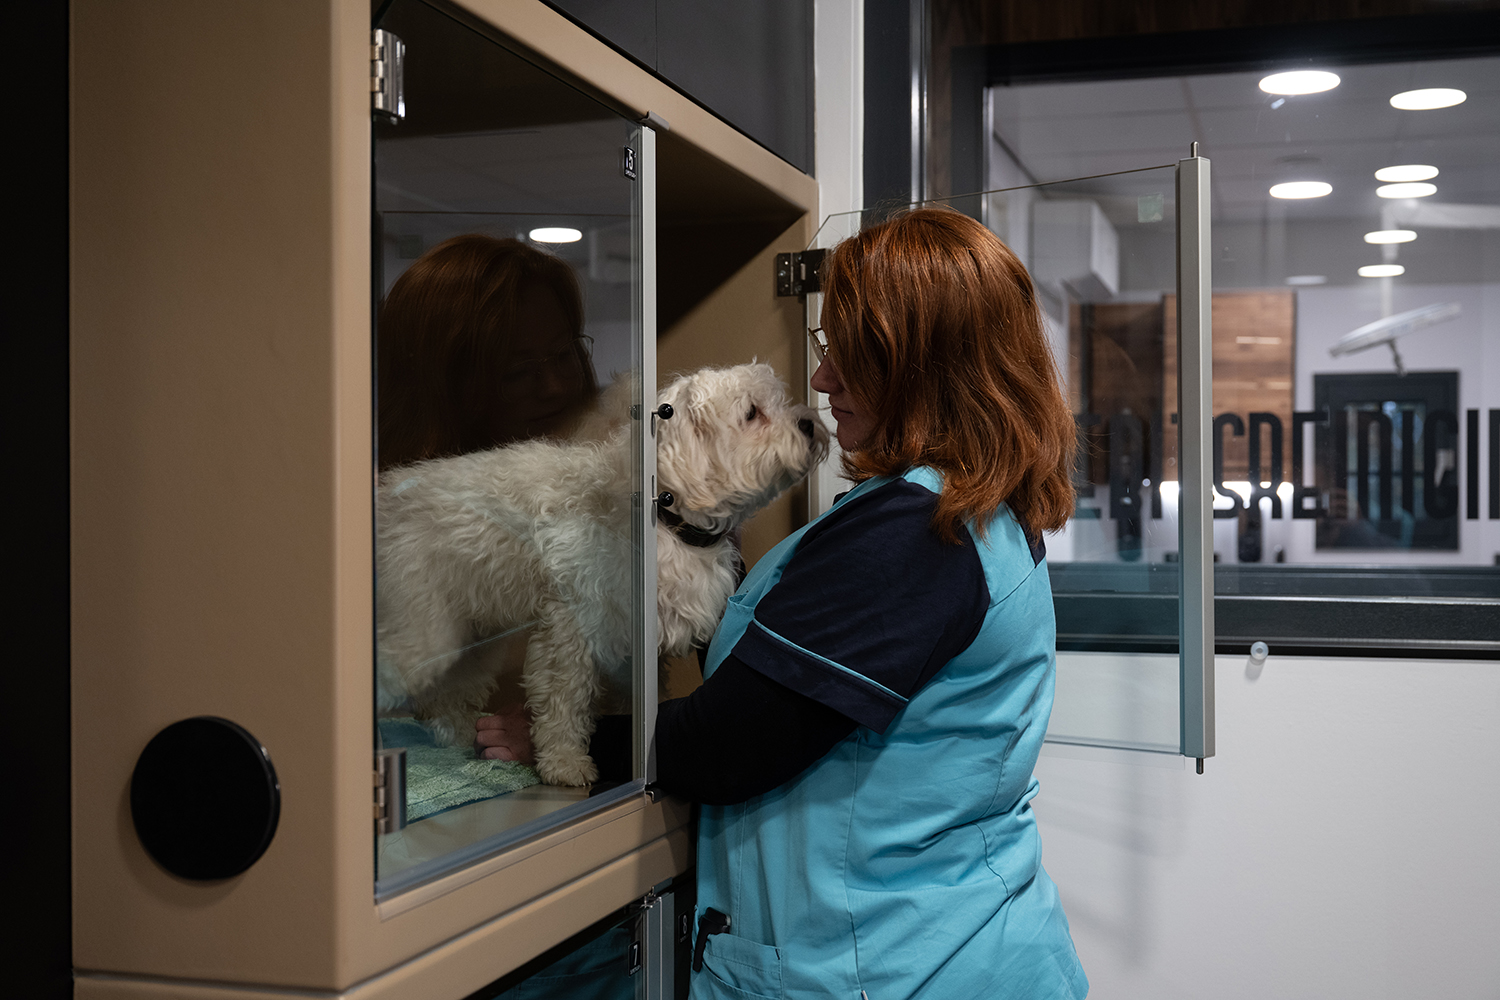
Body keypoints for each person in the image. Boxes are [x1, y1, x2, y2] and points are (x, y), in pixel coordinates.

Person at [478, 206, 1088, 998]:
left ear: (921, 368)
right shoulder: (968, 507)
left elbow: (727, 745)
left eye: (850, 357)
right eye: (827, 350)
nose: (825, 380)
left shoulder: (914, 534)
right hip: (951, 942)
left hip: (894, 969)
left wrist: (559, 735)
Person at [377, 233, 597, 471]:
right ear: (444, 388)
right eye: (518, 372)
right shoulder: (410, 502)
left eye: (565, 354)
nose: (555, 387)